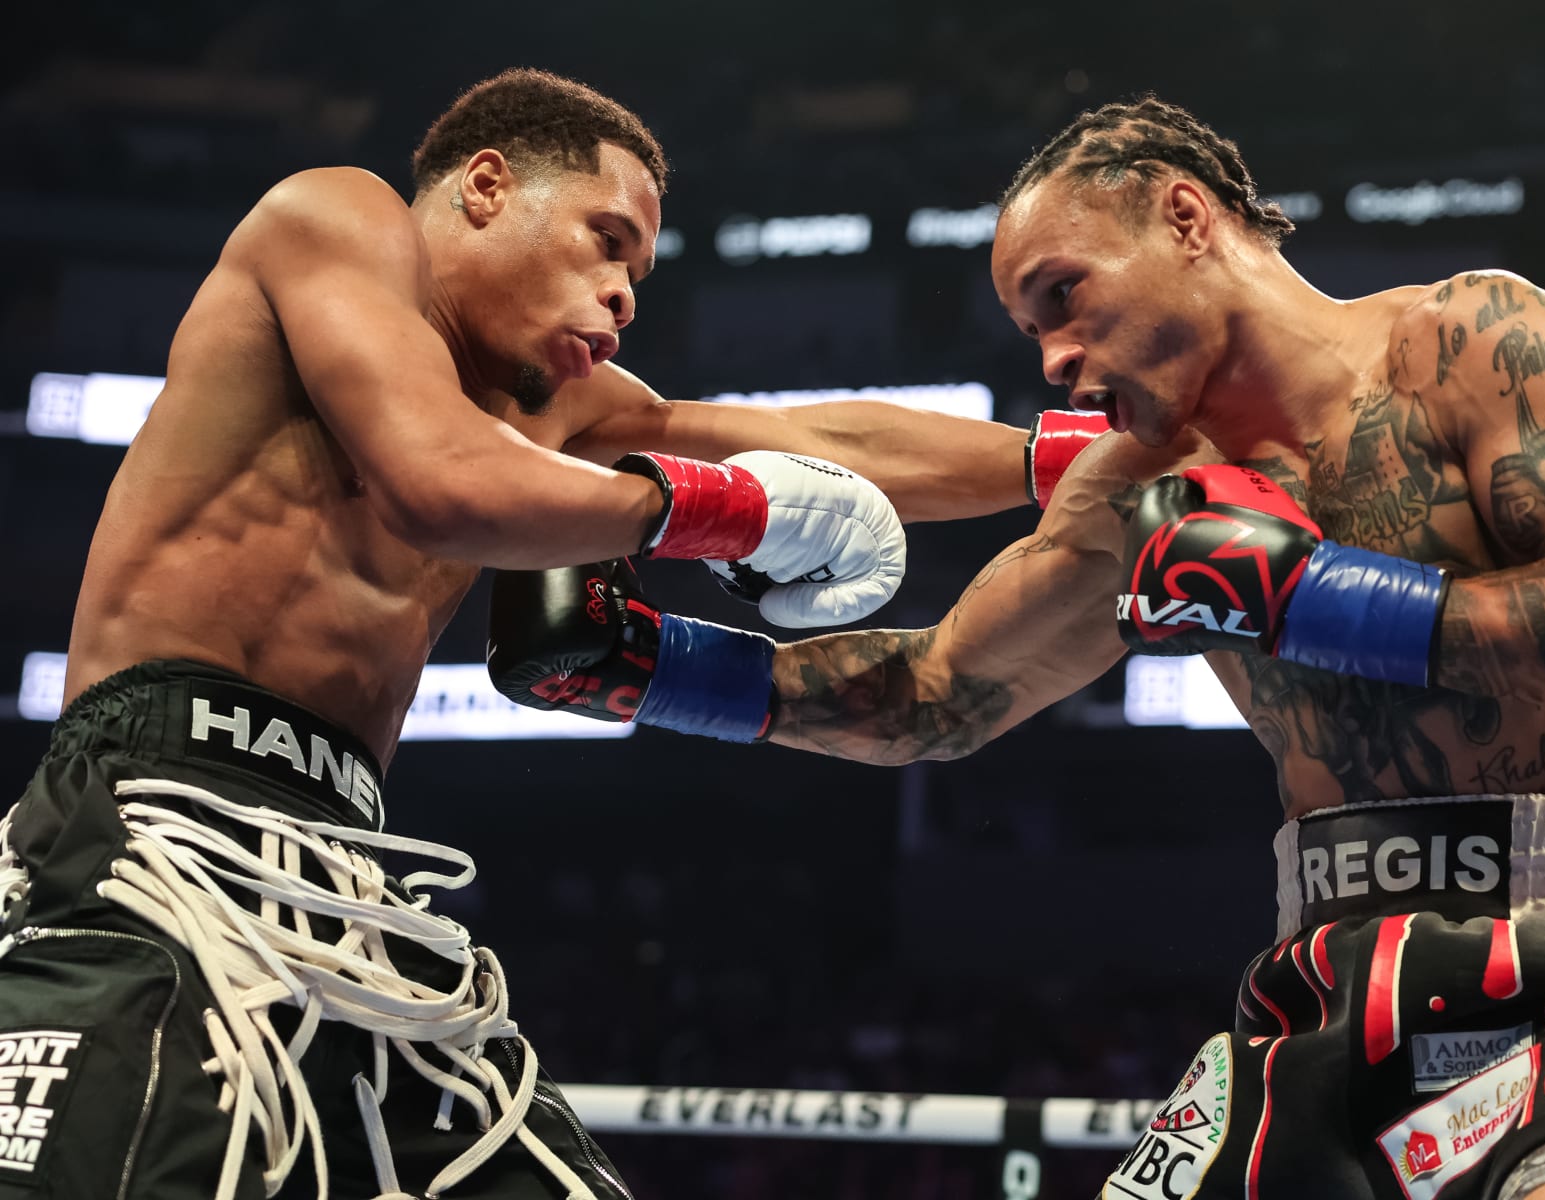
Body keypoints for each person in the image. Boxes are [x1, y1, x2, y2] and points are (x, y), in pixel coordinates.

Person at [490, 97, 1545, 1200]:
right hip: (1323, 988)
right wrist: (653, 670)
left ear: (1187, 219)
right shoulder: (1143, 495)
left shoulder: (1471, 341)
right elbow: (934, 700)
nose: (1057, 361)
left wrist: (1307, 599)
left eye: (1063, 296)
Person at [0, 66, 1087, 1200]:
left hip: (345, 889)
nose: (624, 292)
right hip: (151, 829)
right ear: (484, 187)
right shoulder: (331, 215)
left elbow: (804, 434)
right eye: (604, 238)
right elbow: (439, 483)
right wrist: (713, 509)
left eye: (639, 270)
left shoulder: (555, 406)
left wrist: (1061, 465)